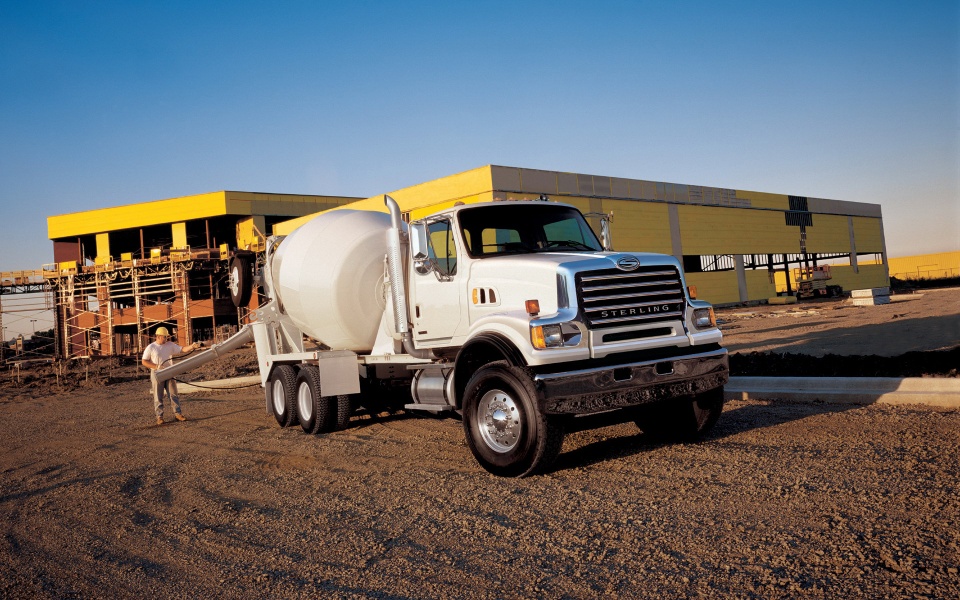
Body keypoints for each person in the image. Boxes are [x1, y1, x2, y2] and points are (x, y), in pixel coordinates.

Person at [141, 326, 201, 426]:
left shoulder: (170, 345)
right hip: (157, 374)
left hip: (169, 372)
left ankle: (178, 414)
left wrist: (192, 346)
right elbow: (144, 361)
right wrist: (156, 366)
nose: (166, 339)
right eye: (164, 337)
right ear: (158, 336)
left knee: (173, 394)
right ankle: (159, 416)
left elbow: (182, 349)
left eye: (166, 337)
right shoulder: (151, 347)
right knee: (158, 396)